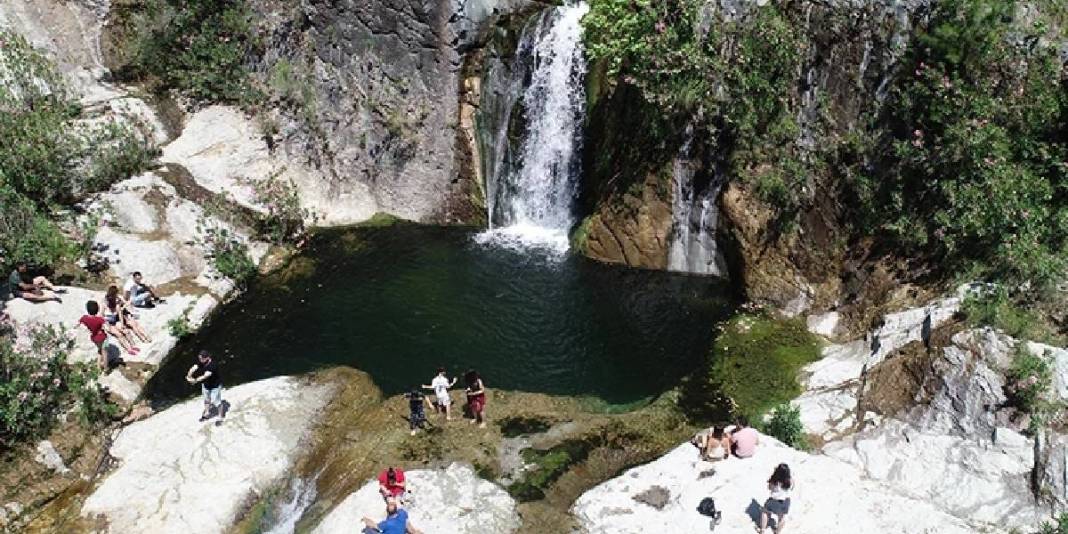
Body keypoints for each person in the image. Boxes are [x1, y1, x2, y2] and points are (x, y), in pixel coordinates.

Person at [185, 350, 224, 423]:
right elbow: (194, 368)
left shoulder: (212, 365)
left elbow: (206, 375)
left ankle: (220, 416)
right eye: (199, 358)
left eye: (201, 359)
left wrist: (195, 381)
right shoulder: (202, 362)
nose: (200, 360)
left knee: (216, 402)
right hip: (206, 385)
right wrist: (189, 375)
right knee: (206, 400)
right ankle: (206, 413)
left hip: (215, 386)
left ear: (207, 358)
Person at [759, 463, 793, 533]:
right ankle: (777, 532)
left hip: (775, 501)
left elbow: (769, 488)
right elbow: (792, 488)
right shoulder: (790, 481)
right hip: (786, 501)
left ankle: (762, 529)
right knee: (782, 518)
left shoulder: (774, 481)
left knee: (765, 511)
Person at [78, 300, 110, 370]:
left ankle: (98, 367)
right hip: (103, 338)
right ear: (97, 309)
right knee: (105, 353)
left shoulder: (84, 318)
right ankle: (106, 369)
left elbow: (78, 323)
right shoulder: (100, 319)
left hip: (94, 337)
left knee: (99, 351)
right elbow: (108, 328)